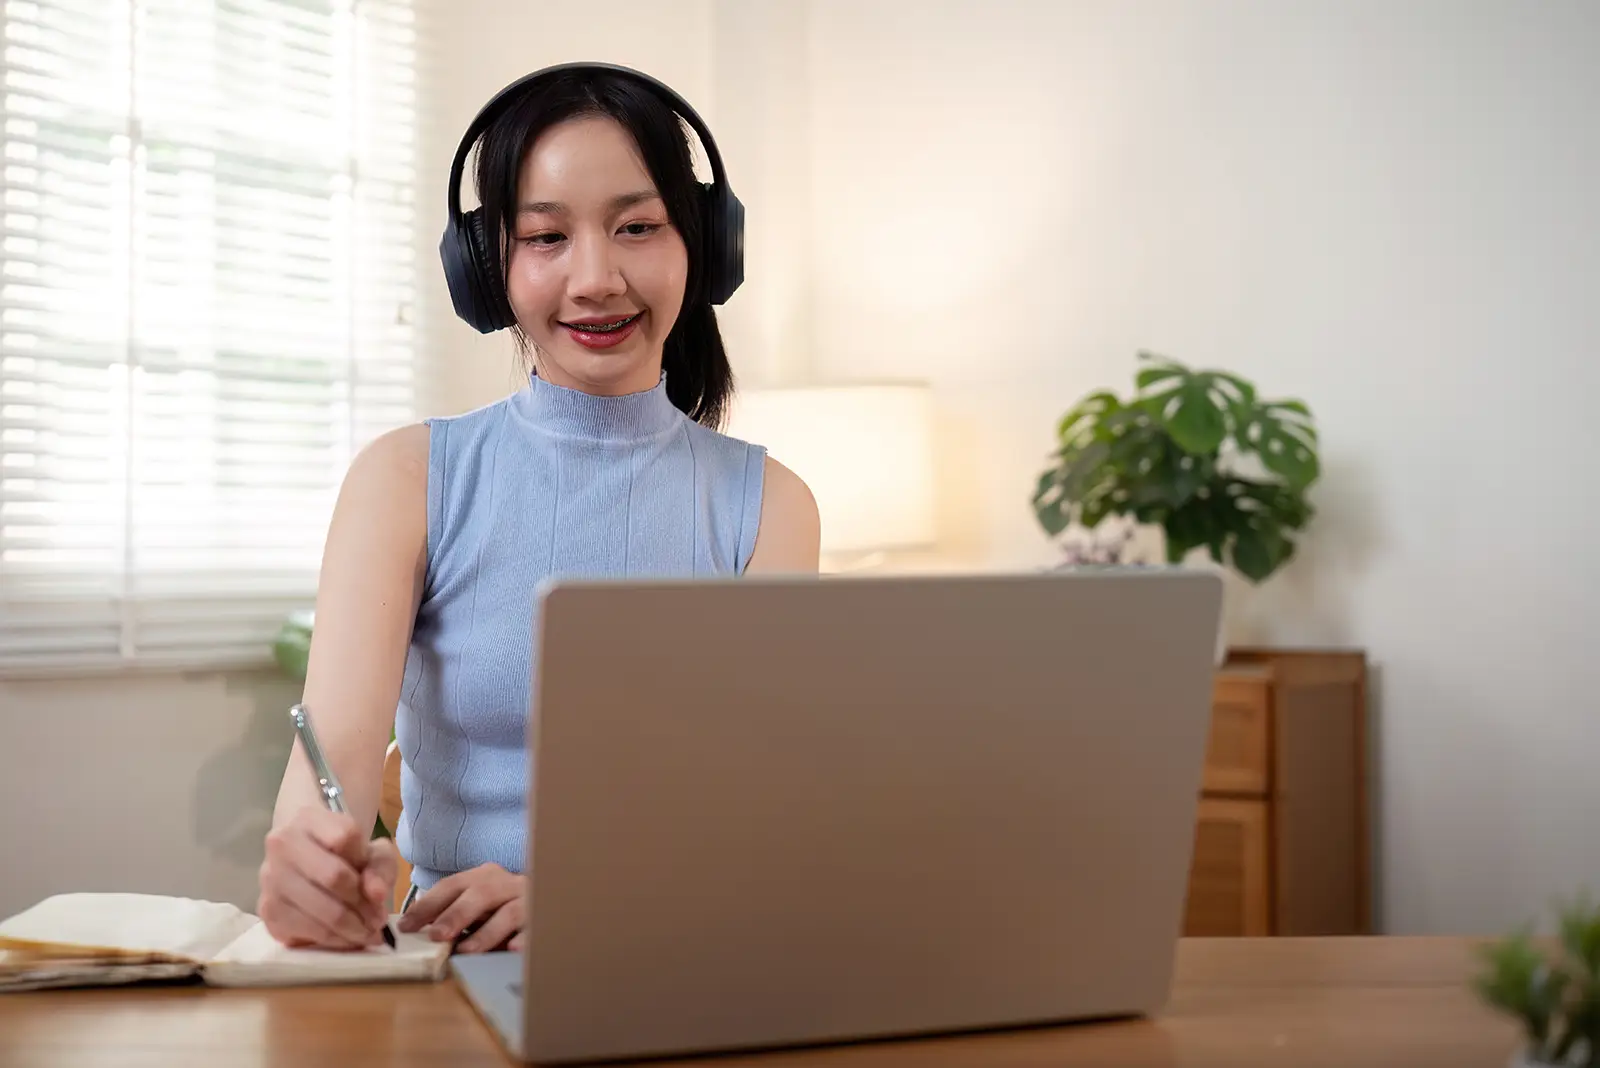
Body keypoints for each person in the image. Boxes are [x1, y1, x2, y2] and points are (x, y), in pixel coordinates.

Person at [255, 64, 821, 954]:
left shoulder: (770, 504)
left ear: (701, 246)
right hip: (462, 969)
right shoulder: (407, 478)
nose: (595, 279)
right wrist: (309, 867)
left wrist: (589, 901)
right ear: (490, 270)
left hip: (685, 957)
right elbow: (327, 779)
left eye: (636, 226)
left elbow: (758, 815)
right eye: (545, 237)